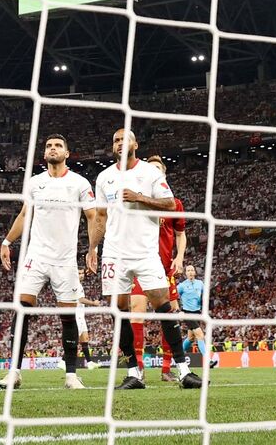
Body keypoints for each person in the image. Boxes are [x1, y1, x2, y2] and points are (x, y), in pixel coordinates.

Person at [91, 128, 201, 390]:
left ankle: (184, 371)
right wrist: (92, 247)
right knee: (119, 312)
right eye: (116, 140)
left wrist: (139, 197)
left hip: (145, 253)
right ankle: (134, 373)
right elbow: (101, 217)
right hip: (114, 254)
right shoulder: (104, 177)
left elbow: (171, 204)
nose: (120, 143)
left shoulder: (150, 173)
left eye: (125, 139)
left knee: (164, 307)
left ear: (135, 144)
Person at [0, 134, 100, 390]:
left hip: (65, 260)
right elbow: (25, 214)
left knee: (68, 316)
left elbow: (92, 216)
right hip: (36, 256)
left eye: (58, 146)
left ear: (67, 153)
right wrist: (7, 242)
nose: (53, 149)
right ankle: (14, 372)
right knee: (22, 310)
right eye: (49, 146)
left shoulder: (79, 183)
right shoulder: (34, 183)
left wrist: (93, 248)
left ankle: (71, 375)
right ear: (44, 154)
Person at [142, 157, 186, 382]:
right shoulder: (138, 200)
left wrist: (179, 257)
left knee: (170, 314)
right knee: (136, 313)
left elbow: (180, 234)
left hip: (165, 268)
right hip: (140, 264)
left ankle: (167, 369)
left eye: (157, 169)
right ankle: (137, 369)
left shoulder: (174, 204)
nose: (154, 172)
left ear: (164, 175)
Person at [176, 264, 205, 350]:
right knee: (200, 335)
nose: (190, 272)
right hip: (187, 313)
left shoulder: (200, 283)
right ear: (185, 273)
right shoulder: (182, 286)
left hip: (197, 312)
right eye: (188, 271)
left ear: (195, 272)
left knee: (191, 338)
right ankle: (207, 357)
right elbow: (173, 296)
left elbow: (205, 295)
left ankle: (179, 354)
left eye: (192, 270)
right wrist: (178, 309)